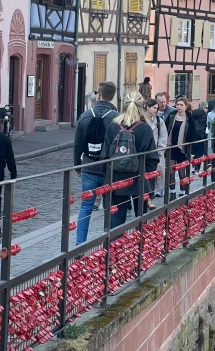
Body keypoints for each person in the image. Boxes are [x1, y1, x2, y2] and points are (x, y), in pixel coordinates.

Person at [101, 92, 159, 227]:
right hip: (139, 177)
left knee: (117, 218)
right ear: (142, 107)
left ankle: (114, 246)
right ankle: (138, 246)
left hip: (116, 178)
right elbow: (152, 159)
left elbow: (104, 156)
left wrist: (109, 175)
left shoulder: (113, 126)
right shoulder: (145, 128)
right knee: (141, 217)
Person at [72, 81, 119, 246]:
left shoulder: (85, 116)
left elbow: (77, 144)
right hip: (109, 168)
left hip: (89, 167)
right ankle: (111, 242)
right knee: (109, 206)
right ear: (112, 96)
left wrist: (77, 165)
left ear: (98, 95)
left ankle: (79, 244)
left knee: (86, 206)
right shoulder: (116, 117)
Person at [167, 97, 196, 196]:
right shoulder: (171, 116)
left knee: (181, 173)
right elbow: (166, 129)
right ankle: (172, 193)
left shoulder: (190, 119)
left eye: (181, 105)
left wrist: (192, 152)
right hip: (171, 147)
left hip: (183, 149)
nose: (179, 107)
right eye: (177, 105)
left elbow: (193, 136)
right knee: (170, 172)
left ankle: (183, 193)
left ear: (186, 106)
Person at [143, 98, 168, 202]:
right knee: (145, 175)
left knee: (157, 173)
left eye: (157, 108)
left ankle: (154, 194)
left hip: (156, 152)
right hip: (144, 152)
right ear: (147, 108)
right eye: (154, 108)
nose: (156, 110)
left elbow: (163, 136)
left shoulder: (158, 120)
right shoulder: (141, 120)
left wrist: (160, 150)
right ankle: (147, 197)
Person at [190, 101, 208, 173]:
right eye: (207, 108)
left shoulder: (193, 113)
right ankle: (197, 168)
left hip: (193, 135)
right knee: (200, 152)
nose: (207, 109)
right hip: (202, 136)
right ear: (204, 107)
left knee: (193, 151)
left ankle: (193, 166)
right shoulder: (206, 115)